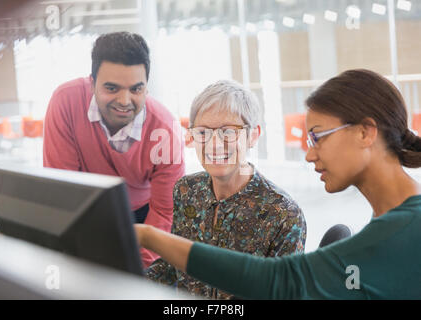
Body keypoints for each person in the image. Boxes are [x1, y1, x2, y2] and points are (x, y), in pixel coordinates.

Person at [135, 69, 421, 299]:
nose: (309, 154)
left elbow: (279, 280)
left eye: (318, 137)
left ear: (365, 133)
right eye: (203, 132)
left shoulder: (402, 229)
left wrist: (148, 236)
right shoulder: (389, 222)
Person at [145, 80, 306, 299]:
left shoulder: (282, 214)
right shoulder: (186, 190)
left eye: (228, 132)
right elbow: (173, 267)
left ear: (253, 136)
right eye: (203, 133)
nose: (214, 145)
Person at [43, 32, 185, 268]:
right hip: (85, 208)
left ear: (146, 87)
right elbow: (63, 190)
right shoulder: (65, 102)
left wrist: (137, 272)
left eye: (136, 89)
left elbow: (164, 213)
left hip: (144, 216)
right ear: (92, 83)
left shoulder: (166, 129)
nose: (124, 100)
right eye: (112, 88)